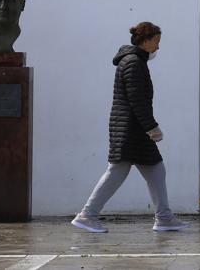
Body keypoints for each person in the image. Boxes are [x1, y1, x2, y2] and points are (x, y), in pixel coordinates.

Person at [71, 21, 188, 233]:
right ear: (145, 40)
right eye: (156, 41)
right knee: (118, 172)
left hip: (132, 130)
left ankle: (164, 217)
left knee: (156, 170)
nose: (158, 47)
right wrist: (152, 128)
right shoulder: (134, 63)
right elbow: (137, 101)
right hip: (131, 131)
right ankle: (87, 215)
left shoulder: (134, 61)